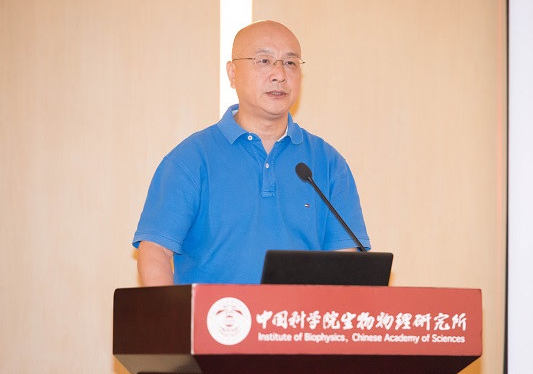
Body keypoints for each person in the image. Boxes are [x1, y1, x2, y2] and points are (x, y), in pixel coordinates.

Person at [133, 20, 370, 286]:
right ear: (232, 73)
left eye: (290, 63)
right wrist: (171, 312)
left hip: (300, 314)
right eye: (264, 61)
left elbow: (344, 259)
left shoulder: (327, 163)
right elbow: (155, 251)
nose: (279, 74)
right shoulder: (191, 159)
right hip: (216, 314)